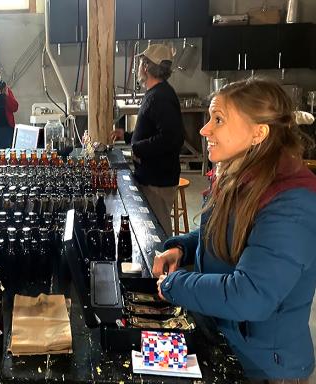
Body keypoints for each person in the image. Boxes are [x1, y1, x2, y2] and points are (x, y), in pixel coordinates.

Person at [153, 78, 316, 382]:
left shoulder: (292, 202)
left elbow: (250, 296)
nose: (204, 130)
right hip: (225, 342)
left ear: (259, 132)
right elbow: (219, 234)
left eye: (218, 120)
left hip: (264, 368)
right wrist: (183, 248)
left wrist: (174, 284)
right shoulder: (235, 173)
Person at [112, 44, 183, 236]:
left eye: (140, 63)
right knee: (152, 224)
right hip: (152, 176)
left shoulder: (160, 97)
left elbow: (172, 138)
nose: (138, 68)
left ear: (146, 67)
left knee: (159, 229)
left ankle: (166, 263)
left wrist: (137, 147)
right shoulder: (156, 92)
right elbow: (152, 131)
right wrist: (126, 136)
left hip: (158, 180)